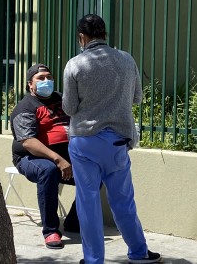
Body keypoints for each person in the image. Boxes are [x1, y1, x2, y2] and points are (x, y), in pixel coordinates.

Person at [62, 14, 161, 264]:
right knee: (123, 200)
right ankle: (139, 252)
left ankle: (94, 259)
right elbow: (137, 98)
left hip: (85, 142)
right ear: (105, 35)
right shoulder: (127, 59)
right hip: (117, 141)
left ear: (82, 38)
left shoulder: (74, 64)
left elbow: (69, 108)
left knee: (88, 203)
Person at [10, 63, 79, 250]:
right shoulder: (25, 107)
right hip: (30, 157)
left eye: (49, 77)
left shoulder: (60, 99)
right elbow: (28, 142)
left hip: (65, 154)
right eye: (40, 78)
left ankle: (74, 221)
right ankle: (50, 231)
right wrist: (58, 160)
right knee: (49, 171)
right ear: (30, 85)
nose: (46, 81)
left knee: (94, 170)